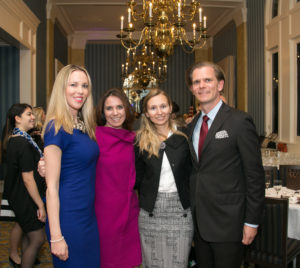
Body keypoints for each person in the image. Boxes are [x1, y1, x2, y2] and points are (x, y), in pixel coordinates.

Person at [185, 61, 265, 268]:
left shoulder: (240, 121)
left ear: (220, 85)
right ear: (192, 89)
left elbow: (254, 176)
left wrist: (251, 221)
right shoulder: (191, 126)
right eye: (196, 82)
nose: (201, 86)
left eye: (207, 80)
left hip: (229, 223)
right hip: (200, 222)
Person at [42, 64, 100, 267]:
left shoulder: (83, 126)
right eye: (73, 84)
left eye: (84, 85)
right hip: (68, 217)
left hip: (87, 215)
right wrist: (56, 236)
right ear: (61, 89)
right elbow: (51, 188)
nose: (80, 91)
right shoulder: (55, 127)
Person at [135, 89, 193, 268]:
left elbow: (194, 173)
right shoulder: (140, 141)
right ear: (146, 113)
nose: (159, 112)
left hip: (180, 212)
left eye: (162, 106)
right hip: (151, 212)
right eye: (153, 108)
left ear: (170, 108)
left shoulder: (185, 137)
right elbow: (137, 178)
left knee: (178, 263)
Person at [95, 88, 142, 268]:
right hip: (103, 212)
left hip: (130, 209)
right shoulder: (94, 137)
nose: (115, 113)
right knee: (107, 260)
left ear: (126, 110)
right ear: (102, 112)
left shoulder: (134, 139)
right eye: (109, 108)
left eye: (120, 107)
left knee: (128, 260)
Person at [3, 103, 46, 268]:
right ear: (17, 118)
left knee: (30, 237)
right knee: (37, 238)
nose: (33, 117)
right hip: (25, 198)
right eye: (29, 114)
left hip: (23, 196)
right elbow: (27, 179)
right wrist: (40, 204)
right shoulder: (21, 142)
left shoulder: (19, 139)